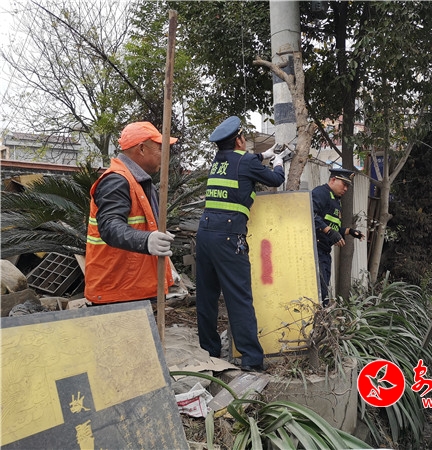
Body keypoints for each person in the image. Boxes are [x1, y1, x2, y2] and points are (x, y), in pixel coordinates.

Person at [195, 116, 286, 372]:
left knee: (206, 298)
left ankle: (209, 352)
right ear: (239, 140)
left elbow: (242, 163)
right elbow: (275, 180)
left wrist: (264, 154)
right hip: (228, 237)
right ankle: (252, 360)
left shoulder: (218, 161)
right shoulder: (245, 161)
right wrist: (278, 161)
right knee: (239, 298)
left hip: (204, 234)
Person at [85, 121, 177, 304]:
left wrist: (154, 237)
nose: (164, 155)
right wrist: (146, 240)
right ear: (141, 149)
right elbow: (110, 226)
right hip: (118, 290)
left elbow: (141, 224)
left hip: (132, 287)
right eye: (160, 148)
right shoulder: (117, 181)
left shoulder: (137, 182)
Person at [311, 168, 365, 306]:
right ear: (333, 180)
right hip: (315, 250)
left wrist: (349, 231)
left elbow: (333, 227)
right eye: (344, 184)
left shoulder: (336, 201)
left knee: (324, 289)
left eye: (348, 186)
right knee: (320, 290)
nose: (346, 189)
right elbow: (310, 214)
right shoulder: (320, 193)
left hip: (325, 252)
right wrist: (329, 231)